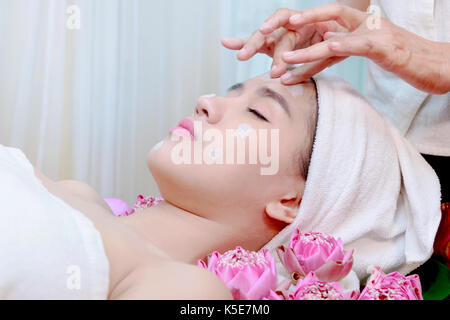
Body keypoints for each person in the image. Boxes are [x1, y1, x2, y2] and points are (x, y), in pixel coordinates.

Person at [0, 72, 441, 300]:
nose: (207, 103)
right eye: (231, 93)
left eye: (258, 114)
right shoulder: (77, 193)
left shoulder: (188, 290)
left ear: (291, 201)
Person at [221, 0, 450, 203]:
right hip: (386, 152)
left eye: (258, 112)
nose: (206, 104)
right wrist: (335, 29)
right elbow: (359, 11)